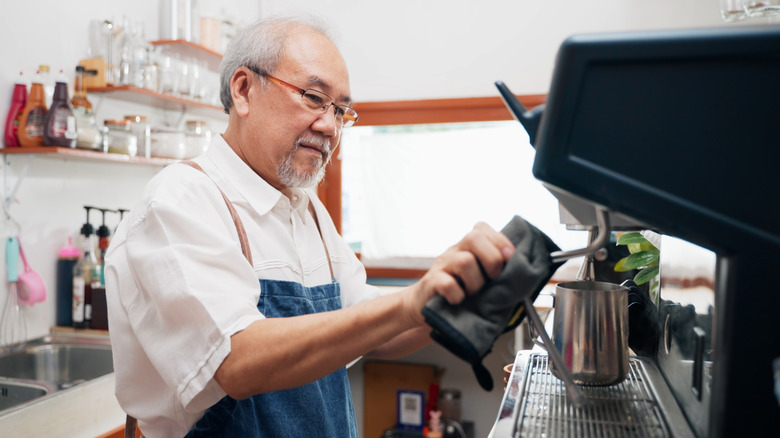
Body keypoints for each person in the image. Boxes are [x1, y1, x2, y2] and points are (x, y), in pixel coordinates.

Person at [105, 15, 515, 438]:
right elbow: (235, 362)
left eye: (340, 110)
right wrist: (412, 300)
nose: (330, 127)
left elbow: (368, 327)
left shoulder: (306, 208)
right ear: (244, 90)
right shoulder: (181, 201)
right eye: (313, 97)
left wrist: (454, 303)